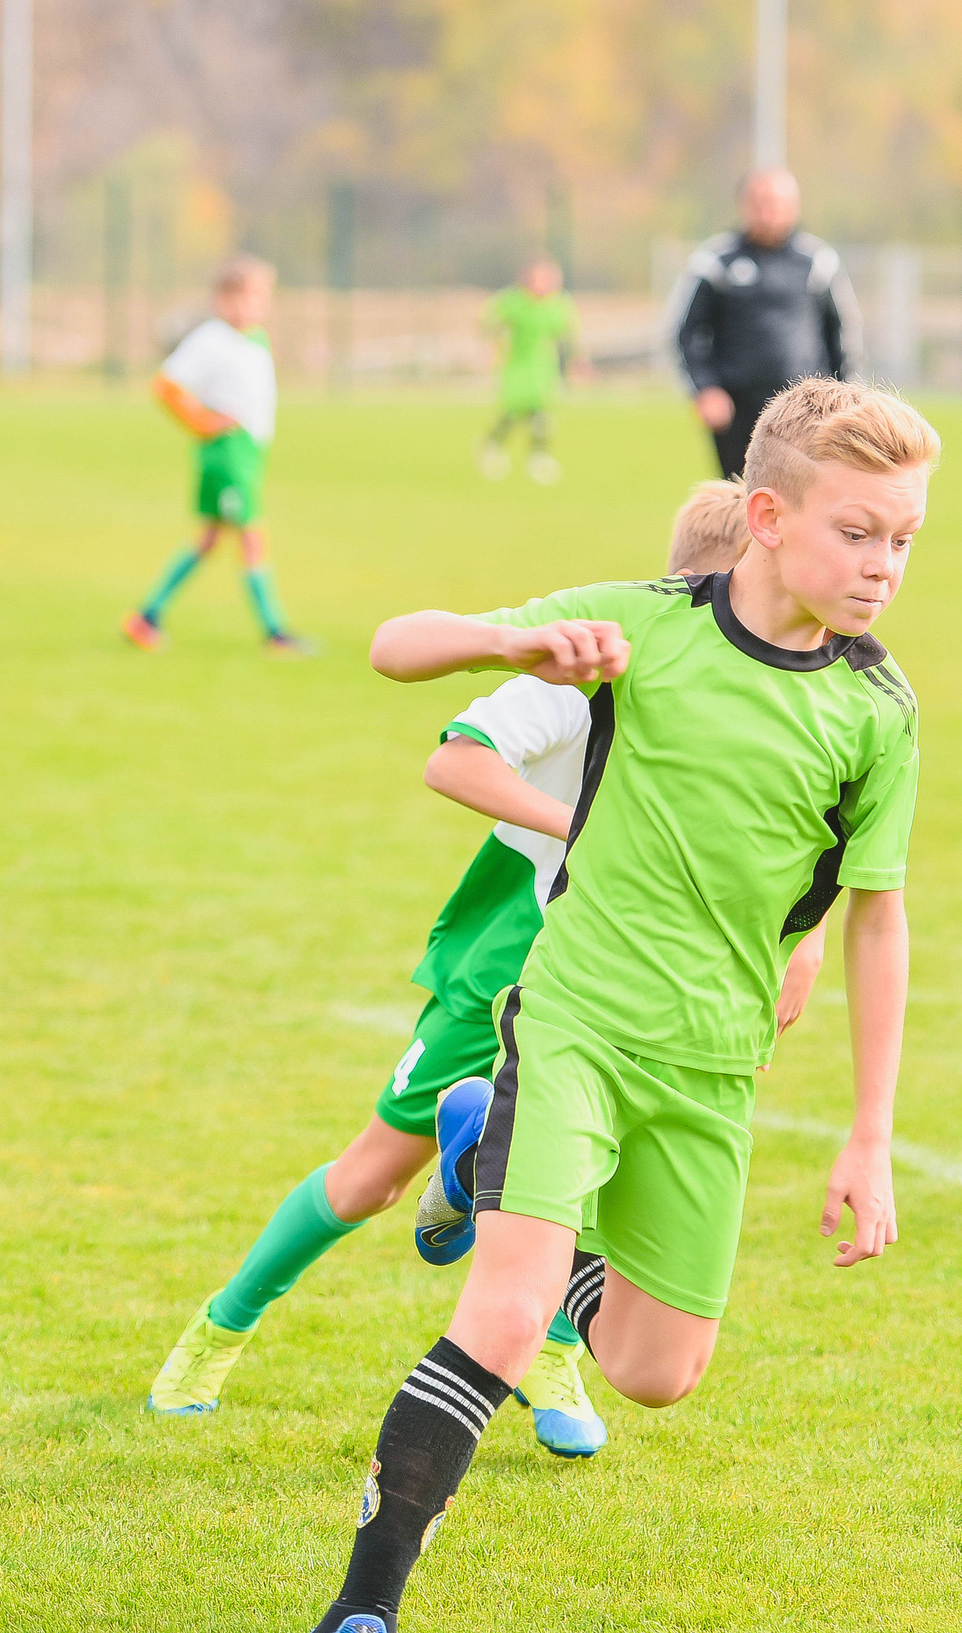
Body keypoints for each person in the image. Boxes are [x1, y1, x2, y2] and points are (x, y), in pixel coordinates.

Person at [310, 379, 930, 1633]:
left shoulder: (878, 709)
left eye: (904, 538)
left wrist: (868, 1130)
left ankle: (492, 1157)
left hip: (711, 1063)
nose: (882, 566)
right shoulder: (643, 625)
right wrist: (520, 645)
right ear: (765, 515)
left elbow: (874, 915)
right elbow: (393, 644)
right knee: (502, 1311)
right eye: (855, 532)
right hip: (579, 1020)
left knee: (657, 1369)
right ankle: (361, 1609)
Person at [145, 483, 821, 1464]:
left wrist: (798, 937)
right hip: (512, 953)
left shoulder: (774, 685)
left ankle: (544, 1344)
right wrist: (589, 833)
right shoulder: (599, 653)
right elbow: (456, 759)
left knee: (601, 1167)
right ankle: (218, 1329)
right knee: (372, 1175)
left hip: (641, 972)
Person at [122, 257, 311, 655]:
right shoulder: (210, 339)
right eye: (242, 298)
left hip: (248, 453)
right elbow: (166, 385)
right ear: (221, 300)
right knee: (252, 538)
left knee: (208, 540)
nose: (251, 307)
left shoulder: (256, 339)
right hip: (227, 455)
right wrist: (201, 422)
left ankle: (147, 617)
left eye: (260, 298)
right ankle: (275, 633)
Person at [670, 169, 861, 478]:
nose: (770, 211)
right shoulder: (717, 260)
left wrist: (845, 394)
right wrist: (705, 389)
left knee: (804, 497)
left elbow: (842, 331)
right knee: (741, 497)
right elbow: (686, 332)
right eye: (761, 202)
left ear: (795, 206)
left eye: (779, 203)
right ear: (744, 205)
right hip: (736, 408)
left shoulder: (817, 261)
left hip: (806, 407)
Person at [478, 257, 585, 485]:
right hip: (517, 364)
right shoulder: (514, 302)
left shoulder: (557, 305)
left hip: (542, 365)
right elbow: (490, 322)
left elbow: (568, 334)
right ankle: (492, 445)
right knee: (514, 408)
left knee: (540, 412)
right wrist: (493, 347)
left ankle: (539, 457)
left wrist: (577, 362)